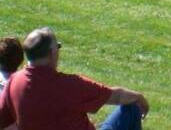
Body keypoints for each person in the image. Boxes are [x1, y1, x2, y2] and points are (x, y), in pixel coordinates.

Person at [0, 27, 149, 130]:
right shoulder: (71, 86)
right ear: (52, 53)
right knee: (131, 108)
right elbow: (117, 96)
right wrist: (139, 97)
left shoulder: (14, 82)